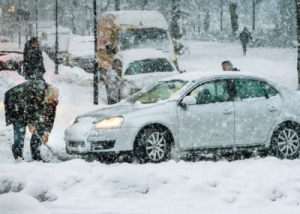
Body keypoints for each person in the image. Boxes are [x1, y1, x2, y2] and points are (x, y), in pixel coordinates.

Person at [4, 81, 59, 161]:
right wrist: (30, 123)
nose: (52, 101)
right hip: (15, 102)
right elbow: (25, 109)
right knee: (20, 128)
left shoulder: (52, 100)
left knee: (40, 128)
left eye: (54, 100)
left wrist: (46, 132)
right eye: (51, 100)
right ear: (46, 95)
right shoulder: (33, 92)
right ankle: (18, 154)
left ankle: (36, 154)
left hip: (29, 107)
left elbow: (50, 117)